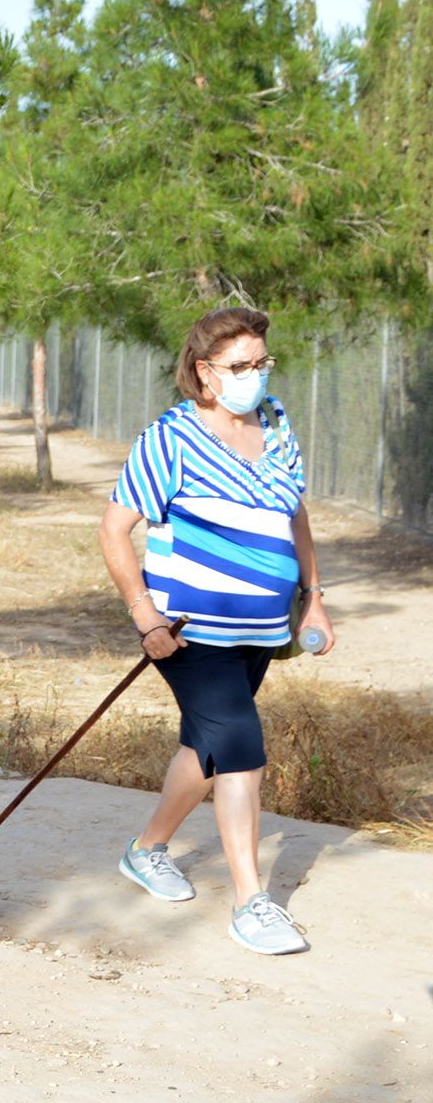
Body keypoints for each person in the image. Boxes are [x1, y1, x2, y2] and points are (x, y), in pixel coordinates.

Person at [99, 306, 332, 956]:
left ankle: (146, 851)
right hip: (187, 633)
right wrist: (145, 618)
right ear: (204, 372)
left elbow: (296, 514)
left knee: (206, 747)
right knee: (240, 745)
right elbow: (114, 530)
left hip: (261, 629)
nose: (255, 376)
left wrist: (312, 599)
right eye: (241, 367)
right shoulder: (170, 439)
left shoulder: (277, 422)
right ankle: (252, 902)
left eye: (262, 363)